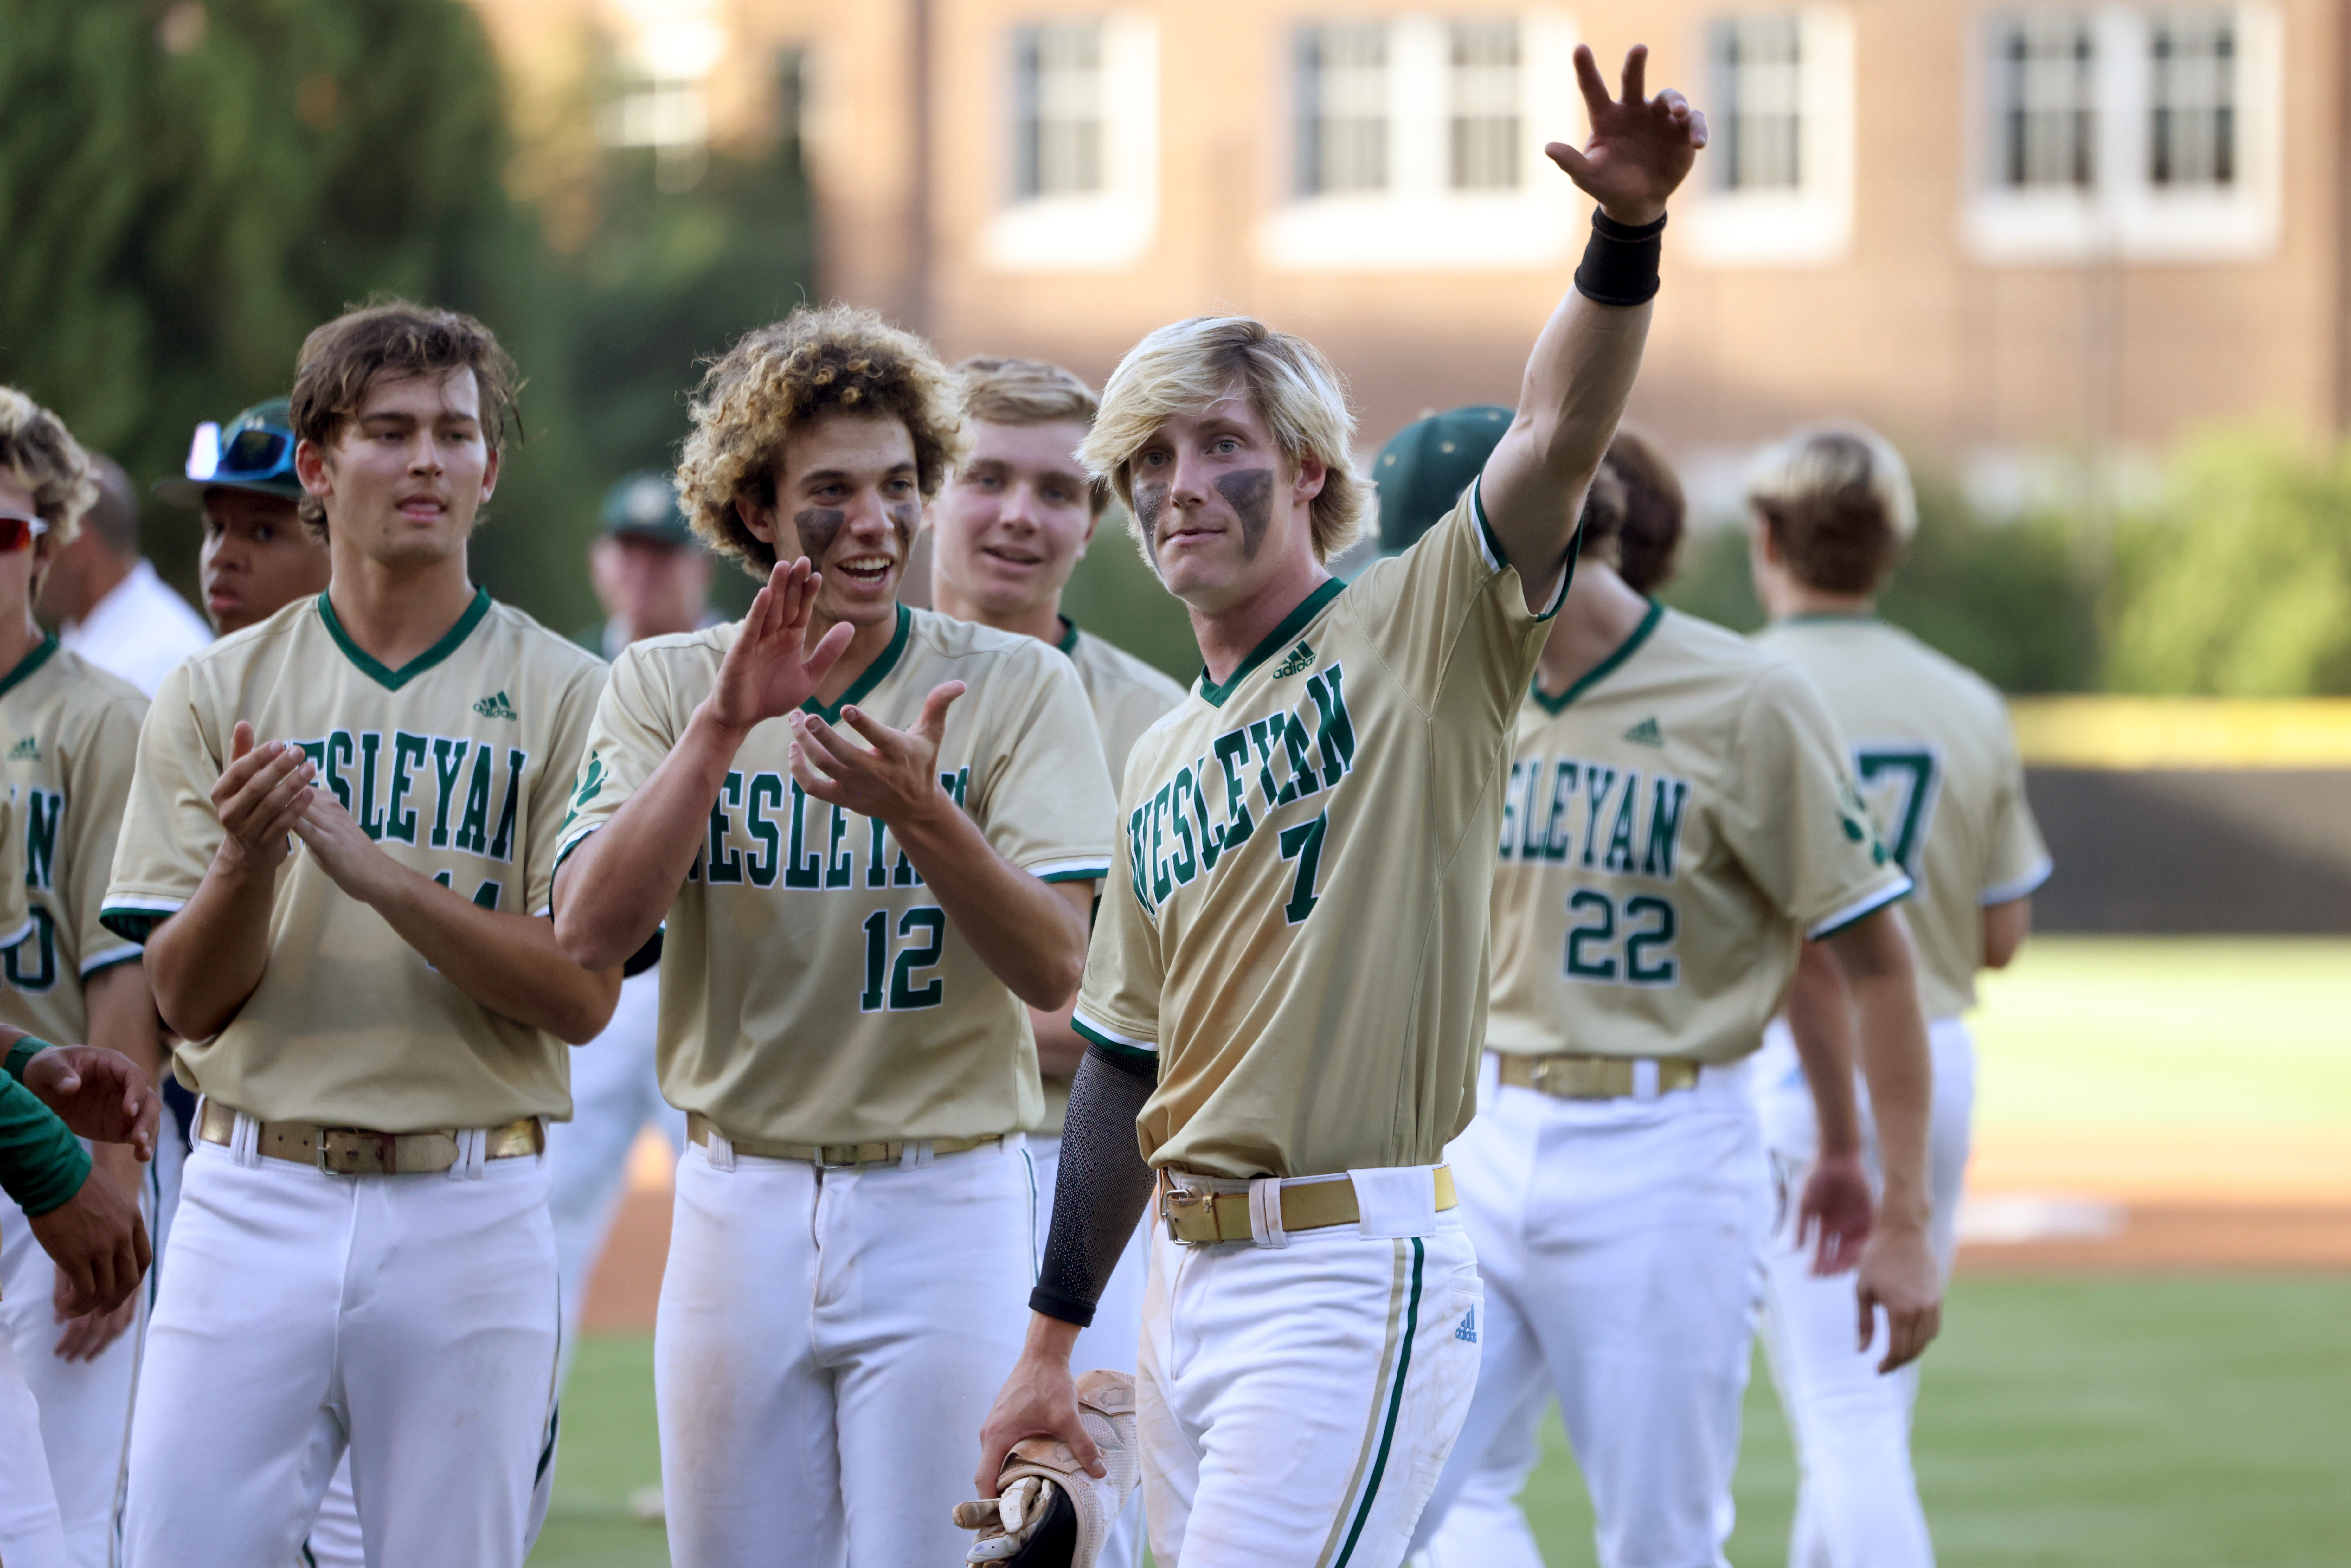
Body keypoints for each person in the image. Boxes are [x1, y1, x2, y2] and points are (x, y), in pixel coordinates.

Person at [970, 45, 1703, 1568]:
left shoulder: (1421, 626)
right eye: (1148, 461)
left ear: (1306, 471)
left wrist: (1620, 237)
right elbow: (1118, 1062)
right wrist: (1052, 1336)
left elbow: (1553, 430)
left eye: (1217, 446)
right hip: (1184, 1279)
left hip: (1346, 1265)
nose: (1177, 484)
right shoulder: (1164, 749)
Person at [550, 303, 1118, 1568]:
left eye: (901, 484)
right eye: (833, 490)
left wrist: (925, 814)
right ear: (757, 509)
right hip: (735, 1194)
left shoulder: (1017, 684)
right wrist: (718, 728)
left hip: (946, 1193)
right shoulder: (660, 681)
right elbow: (589, 930)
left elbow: (1055, 965)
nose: (875, 521)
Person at [102, 300, 619, 1568]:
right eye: (389, 431)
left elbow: (579, 992)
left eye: (457, 432)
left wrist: (374, 875)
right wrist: (245, 863)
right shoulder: (217, 687)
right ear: (321, 471)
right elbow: (186, 1002)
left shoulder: (569, 691)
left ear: (490, 471)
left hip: (470, 1193)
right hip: (249, 1185)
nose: (430, 459)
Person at [1747, 425, 2051, 1568]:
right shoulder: (1964, 698)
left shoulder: (1733, 685)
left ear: (1766, 537)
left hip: (1791, 1072)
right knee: (1865, 1410)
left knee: (1848, 1418)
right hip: (1933, 1056)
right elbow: (2001, 933)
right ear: (1892, 546)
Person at [930, 354, 1186, 1568]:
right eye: (984, 476)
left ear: (1098, 518)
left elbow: (1168, 1014)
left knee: (1068, 1524)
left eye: (1058, 487)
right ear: (928, 488)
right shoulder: (815, 682)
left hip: (1086, 1155)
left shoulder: (1160, 718)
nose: (1020, 515)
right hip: (881, 1158)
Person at [156, 397, 350, 1568]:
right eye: (216, 525)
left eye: (264, 528)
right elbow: (166, 985)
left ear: (336, 532)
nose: (225, 554)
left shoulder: (440, 695)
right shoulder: (190, 696)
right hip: (227, 1144)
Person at [0, 388, 169, 1568]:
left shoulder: (103, 718)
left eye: (6, 528)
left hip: (50, 1172)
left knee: (61, 1524)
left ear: (51, 541)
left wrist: (107, 1182)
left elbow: (127, 972)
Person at [545, 472, 708, 1384]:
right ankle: (527, 1441)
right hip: (596, 990)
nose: (646, 572)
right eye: (631, 550)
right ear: (602, 562)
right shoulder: (569, 674)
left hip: (712, 979)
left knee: (728, 1220)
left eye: (665, 552)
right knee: (552, 1214)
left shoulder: (747, 670)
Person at [153, 398, 333, 638]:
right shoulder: (197, 674)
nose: (221, 557)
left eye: (264, 532)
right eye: (215, 528)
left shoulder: (378, 673)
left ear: (342, 542)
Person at [37, 456, 209, 699]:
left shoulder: (163, 660)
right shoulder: (87, 634)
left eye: (37, 538)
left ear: (77, 540)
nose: (30, 560)